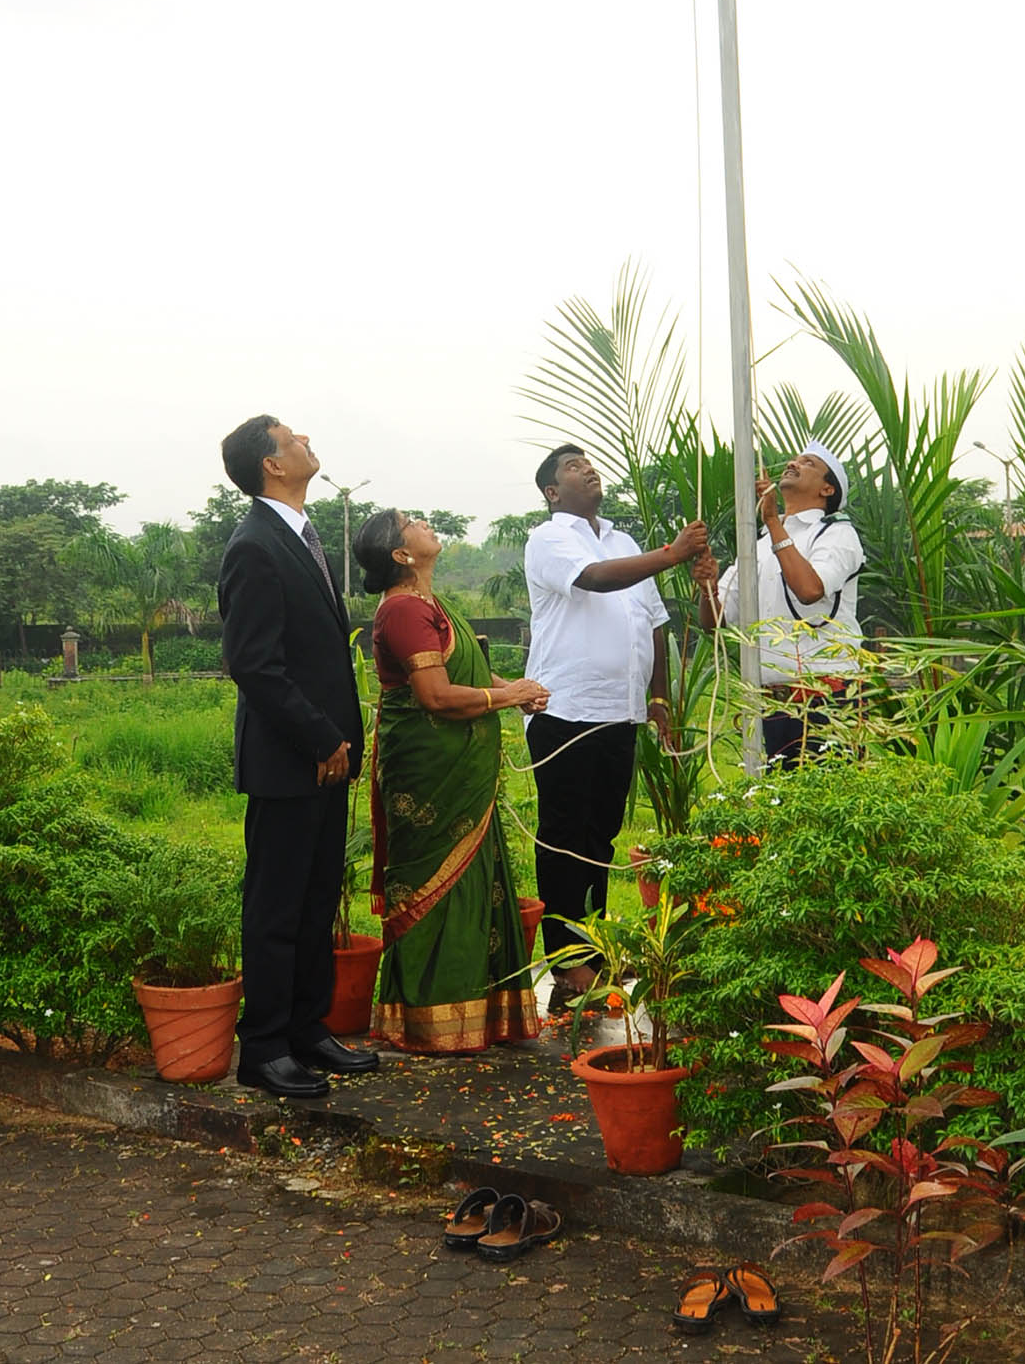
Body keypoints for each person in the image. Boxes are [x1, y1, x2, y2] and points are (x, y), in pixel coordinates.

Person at [218, 414, 377, 1099]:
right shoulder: (254, 545)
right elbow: (254, 665)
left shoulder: (301, 536)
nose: (307, 438)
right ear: (272, 465)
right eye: (292, 437)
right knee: (277, 907)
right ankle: (263, 1047)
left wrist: (337, 742)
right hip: (291, 760)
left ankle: (307, 1028)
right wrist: (320, 736)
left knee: (316, 900)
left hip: (326, 757)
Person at [351, 509, 550, 1053]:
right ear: (401, 554)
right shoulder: (403, 610)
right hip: (429, 775)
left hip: (462, 772)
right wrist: (507, 697)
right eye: (410, 522)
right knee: (435, 886)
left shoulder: (432, 604)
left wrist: (511, 688)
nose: (423, 522)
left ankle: (480, 1016)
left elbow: (465, 672)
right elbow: (436, 695)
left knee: (476, 882)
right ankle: (429, 1019)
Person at [521, 446, 706, 1007]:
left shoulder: (624, 541)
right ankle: (567, 960)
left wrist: (659, 696)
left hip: (619, 712)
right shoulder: (549, 537)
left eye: (588, 462)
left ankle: (596, 948)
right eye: (572, 466)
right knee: (564, 838)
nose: (587, 468)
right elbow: (594, 580)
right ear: (553, 491)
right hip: (566, 709)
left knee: (599, 836)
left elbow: (654, 623)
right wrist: (672, 553)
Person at [692, 442, 865, 766]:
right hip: (772, 702)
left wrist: (773, 520)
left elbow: (810, 589)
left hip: (827, 696)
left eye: (808, 463)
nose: (794, 464)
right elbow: (715, 622)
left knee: (828, 790)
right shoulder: (757, 545)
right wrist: (708, 588)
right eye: (795, 459)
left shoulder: (837, 534)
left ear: (827, 489)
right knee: (779, 792)